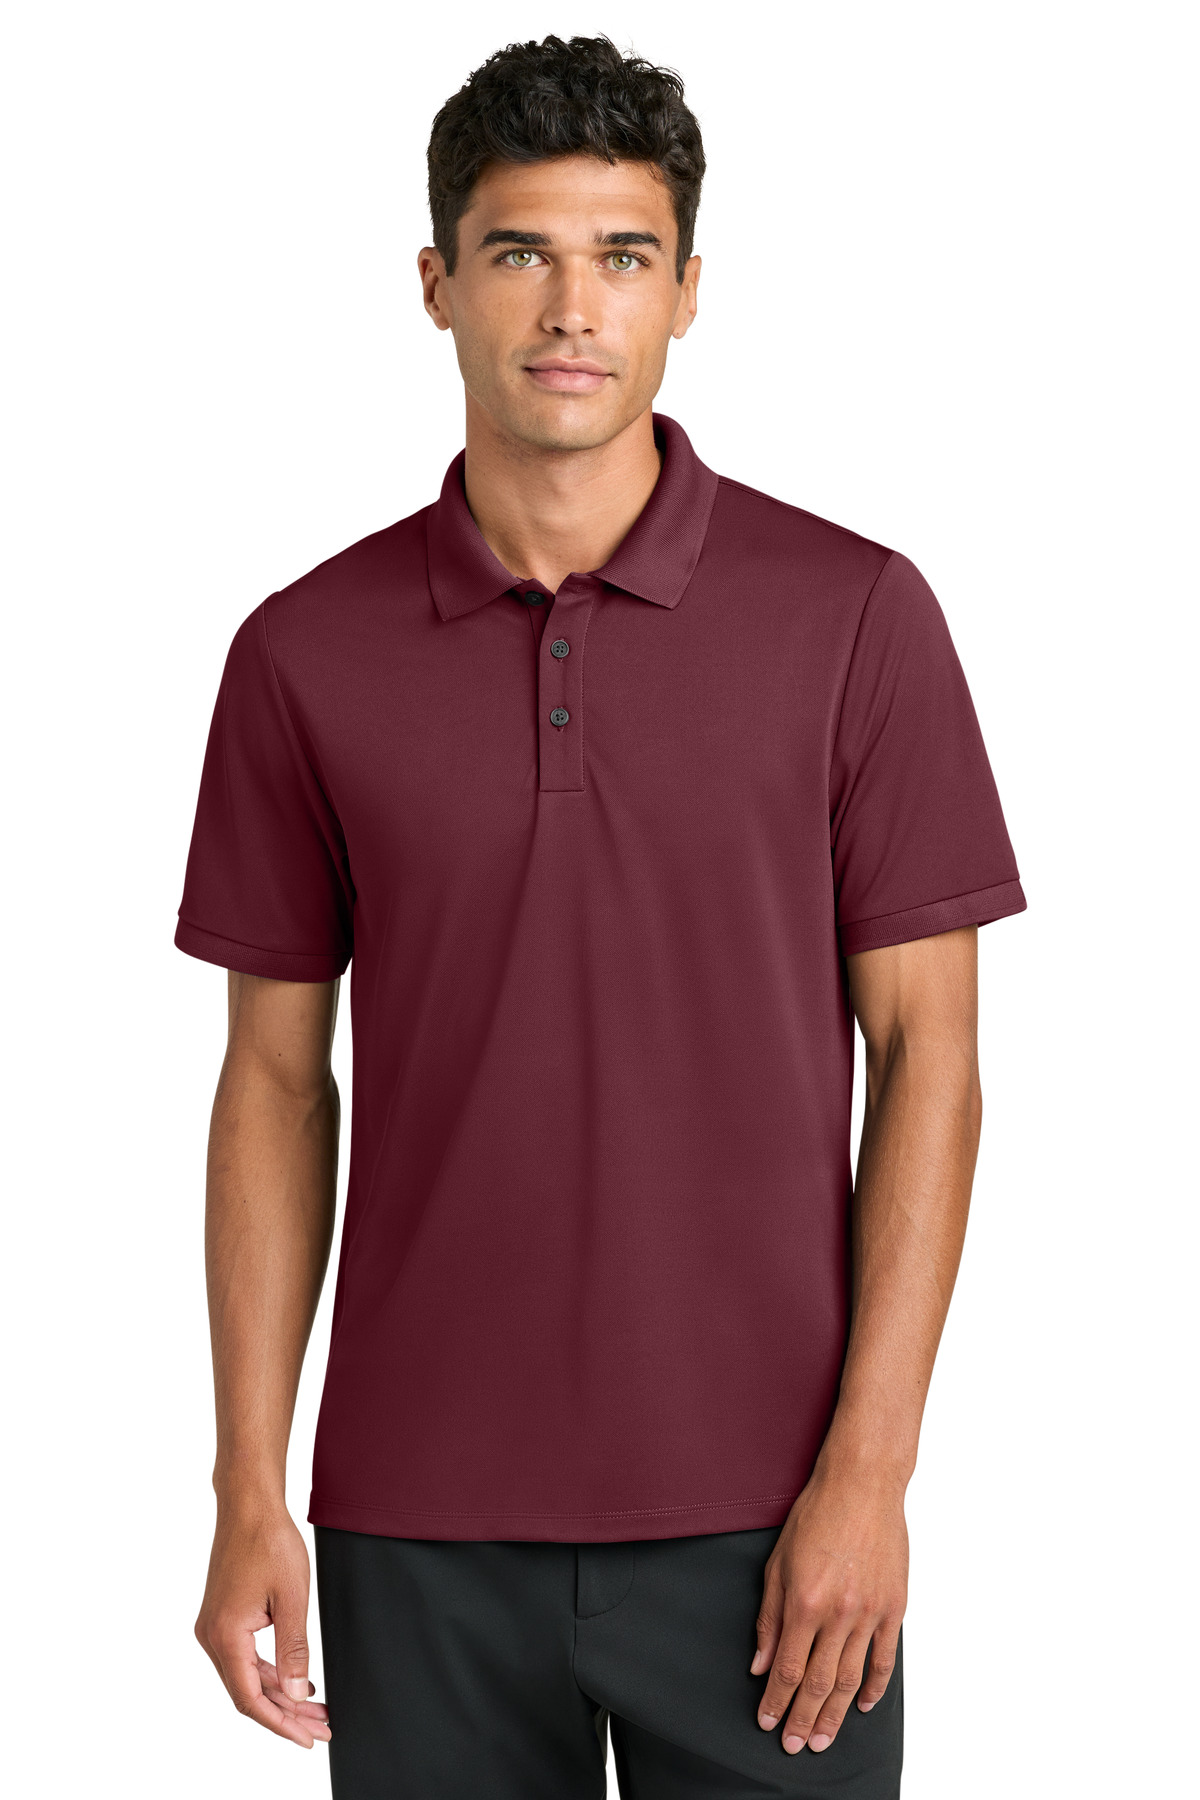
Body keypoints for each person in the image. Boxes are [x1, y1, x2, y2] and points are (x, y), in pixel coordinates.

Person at [177, 33, 1025, 1799]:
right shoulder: (300, 654)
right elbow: (272, 1080)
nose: (573, 309)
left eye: (623, 256)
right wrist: (249, 1481)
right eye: (521, 253)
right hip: (414, 1523)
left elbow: (928, 1054)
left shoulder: (856, 617)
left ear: (688, 291)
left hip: (773, 1527)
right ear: (437, 283)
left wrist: (872, 1476)